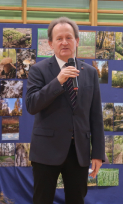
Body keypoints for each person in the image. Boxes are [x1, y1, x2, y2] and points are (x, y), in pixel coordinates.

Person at [26, 17, 105, 204]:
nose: (64, 42)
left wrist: (98, 154)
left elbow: (96, 116)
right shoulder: (38, 70)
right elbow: (31, 105)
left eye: (69, 37)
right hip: (46, 150)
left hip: (79, 151)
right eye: (59, 38)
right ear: (51, 44)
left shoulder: (90, 72)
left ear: (77, 41)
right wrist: (58, 81)